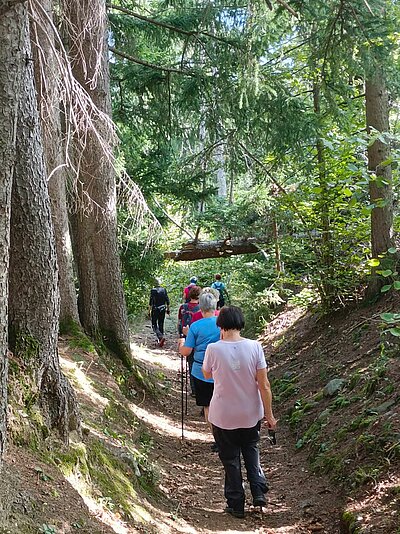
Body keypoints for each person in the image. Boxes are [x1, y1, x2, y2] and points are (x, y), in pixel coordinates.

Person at [202, 306, 277, 518]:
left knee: (230, 459)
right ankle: (258, 492)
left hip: (223, 414)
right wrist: (269, 416)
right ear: (241, 323)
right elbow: (264, 385)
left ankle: (236, 504)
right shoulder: (255, 347)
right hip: (250, 412)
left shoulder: (213, 349)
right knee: (251, 450)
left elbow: (206, 374)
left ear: (221, 326)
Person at [178, 292, 220, 450]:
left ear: (201, 309)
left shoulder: (195, 326)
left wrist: (181, 342)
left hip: (201, 371)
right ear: (215, 306)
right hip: (222, 370)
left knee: (208, 406)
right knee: (222, 403)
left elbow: (186, 352)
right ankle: (227, 435)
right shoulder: (222, 324)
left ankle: (217, 438)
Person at [177, 285, 201, 396]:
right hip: (199, 338)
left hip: (186, 336)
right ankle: (200, 386)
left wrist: (181, 335)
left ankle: (194, 389)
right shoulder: (202, 309)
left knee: (190, 362)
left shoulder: (183, 307)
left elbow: (179, 322)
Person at [148, 278, 170, 347]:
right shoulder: (164, 290)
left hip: (155, 309)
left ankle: (160, 337)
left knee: (154, 324)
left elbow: (151, 302)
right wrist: (168, 309)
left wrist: (149, 311)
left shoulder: (153, 290)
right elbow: (167, 300)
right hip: (163, 308)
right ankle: (161, 339)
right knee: (161, 323)